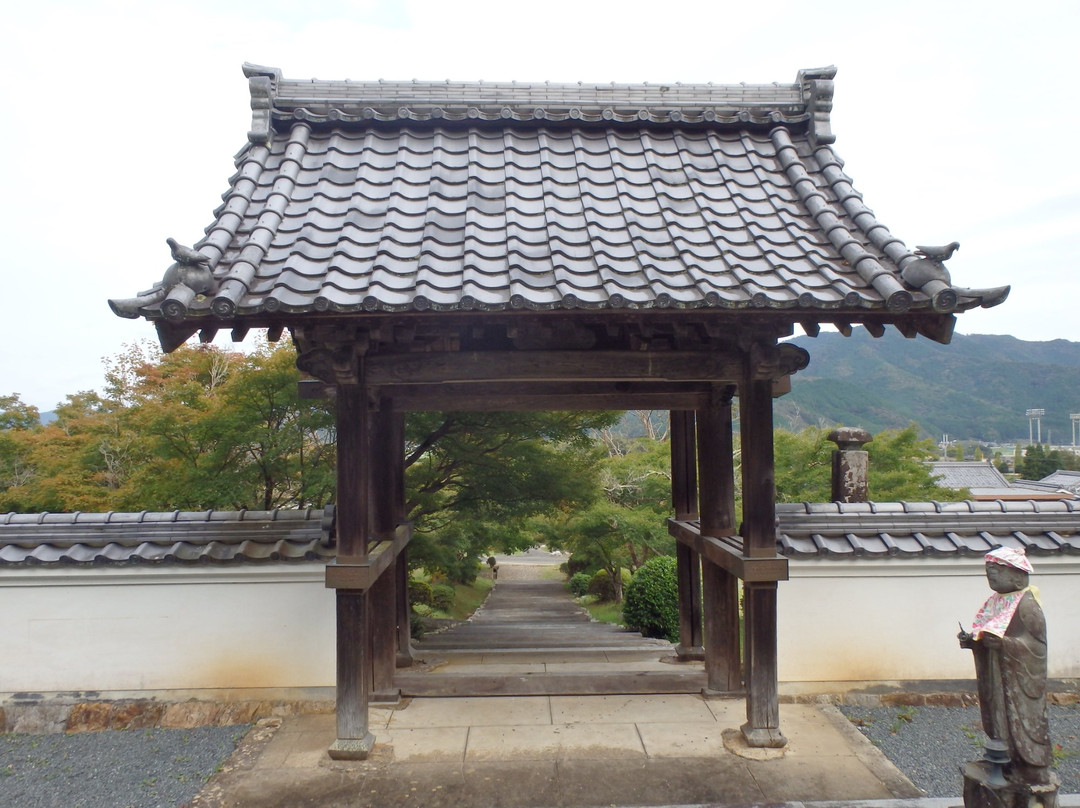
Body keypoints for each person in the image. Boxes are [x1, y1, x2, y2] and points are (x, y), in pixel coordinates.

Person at [957, 546, 1052, 786]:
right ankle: (1002, 758)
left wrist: (1006, 645)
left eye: (997, 570)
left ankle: (1028, 768)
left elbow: (1037, 647)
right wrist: (974, 642)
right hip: (997, 672)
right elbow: (987, 634)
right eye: (989, 571)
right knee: (999, 717)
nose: (991, 575)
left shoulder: (1027, 604)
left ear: (1017, 574)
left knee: (1017, 719)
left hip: (1017, 677)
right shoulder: (996, 601)